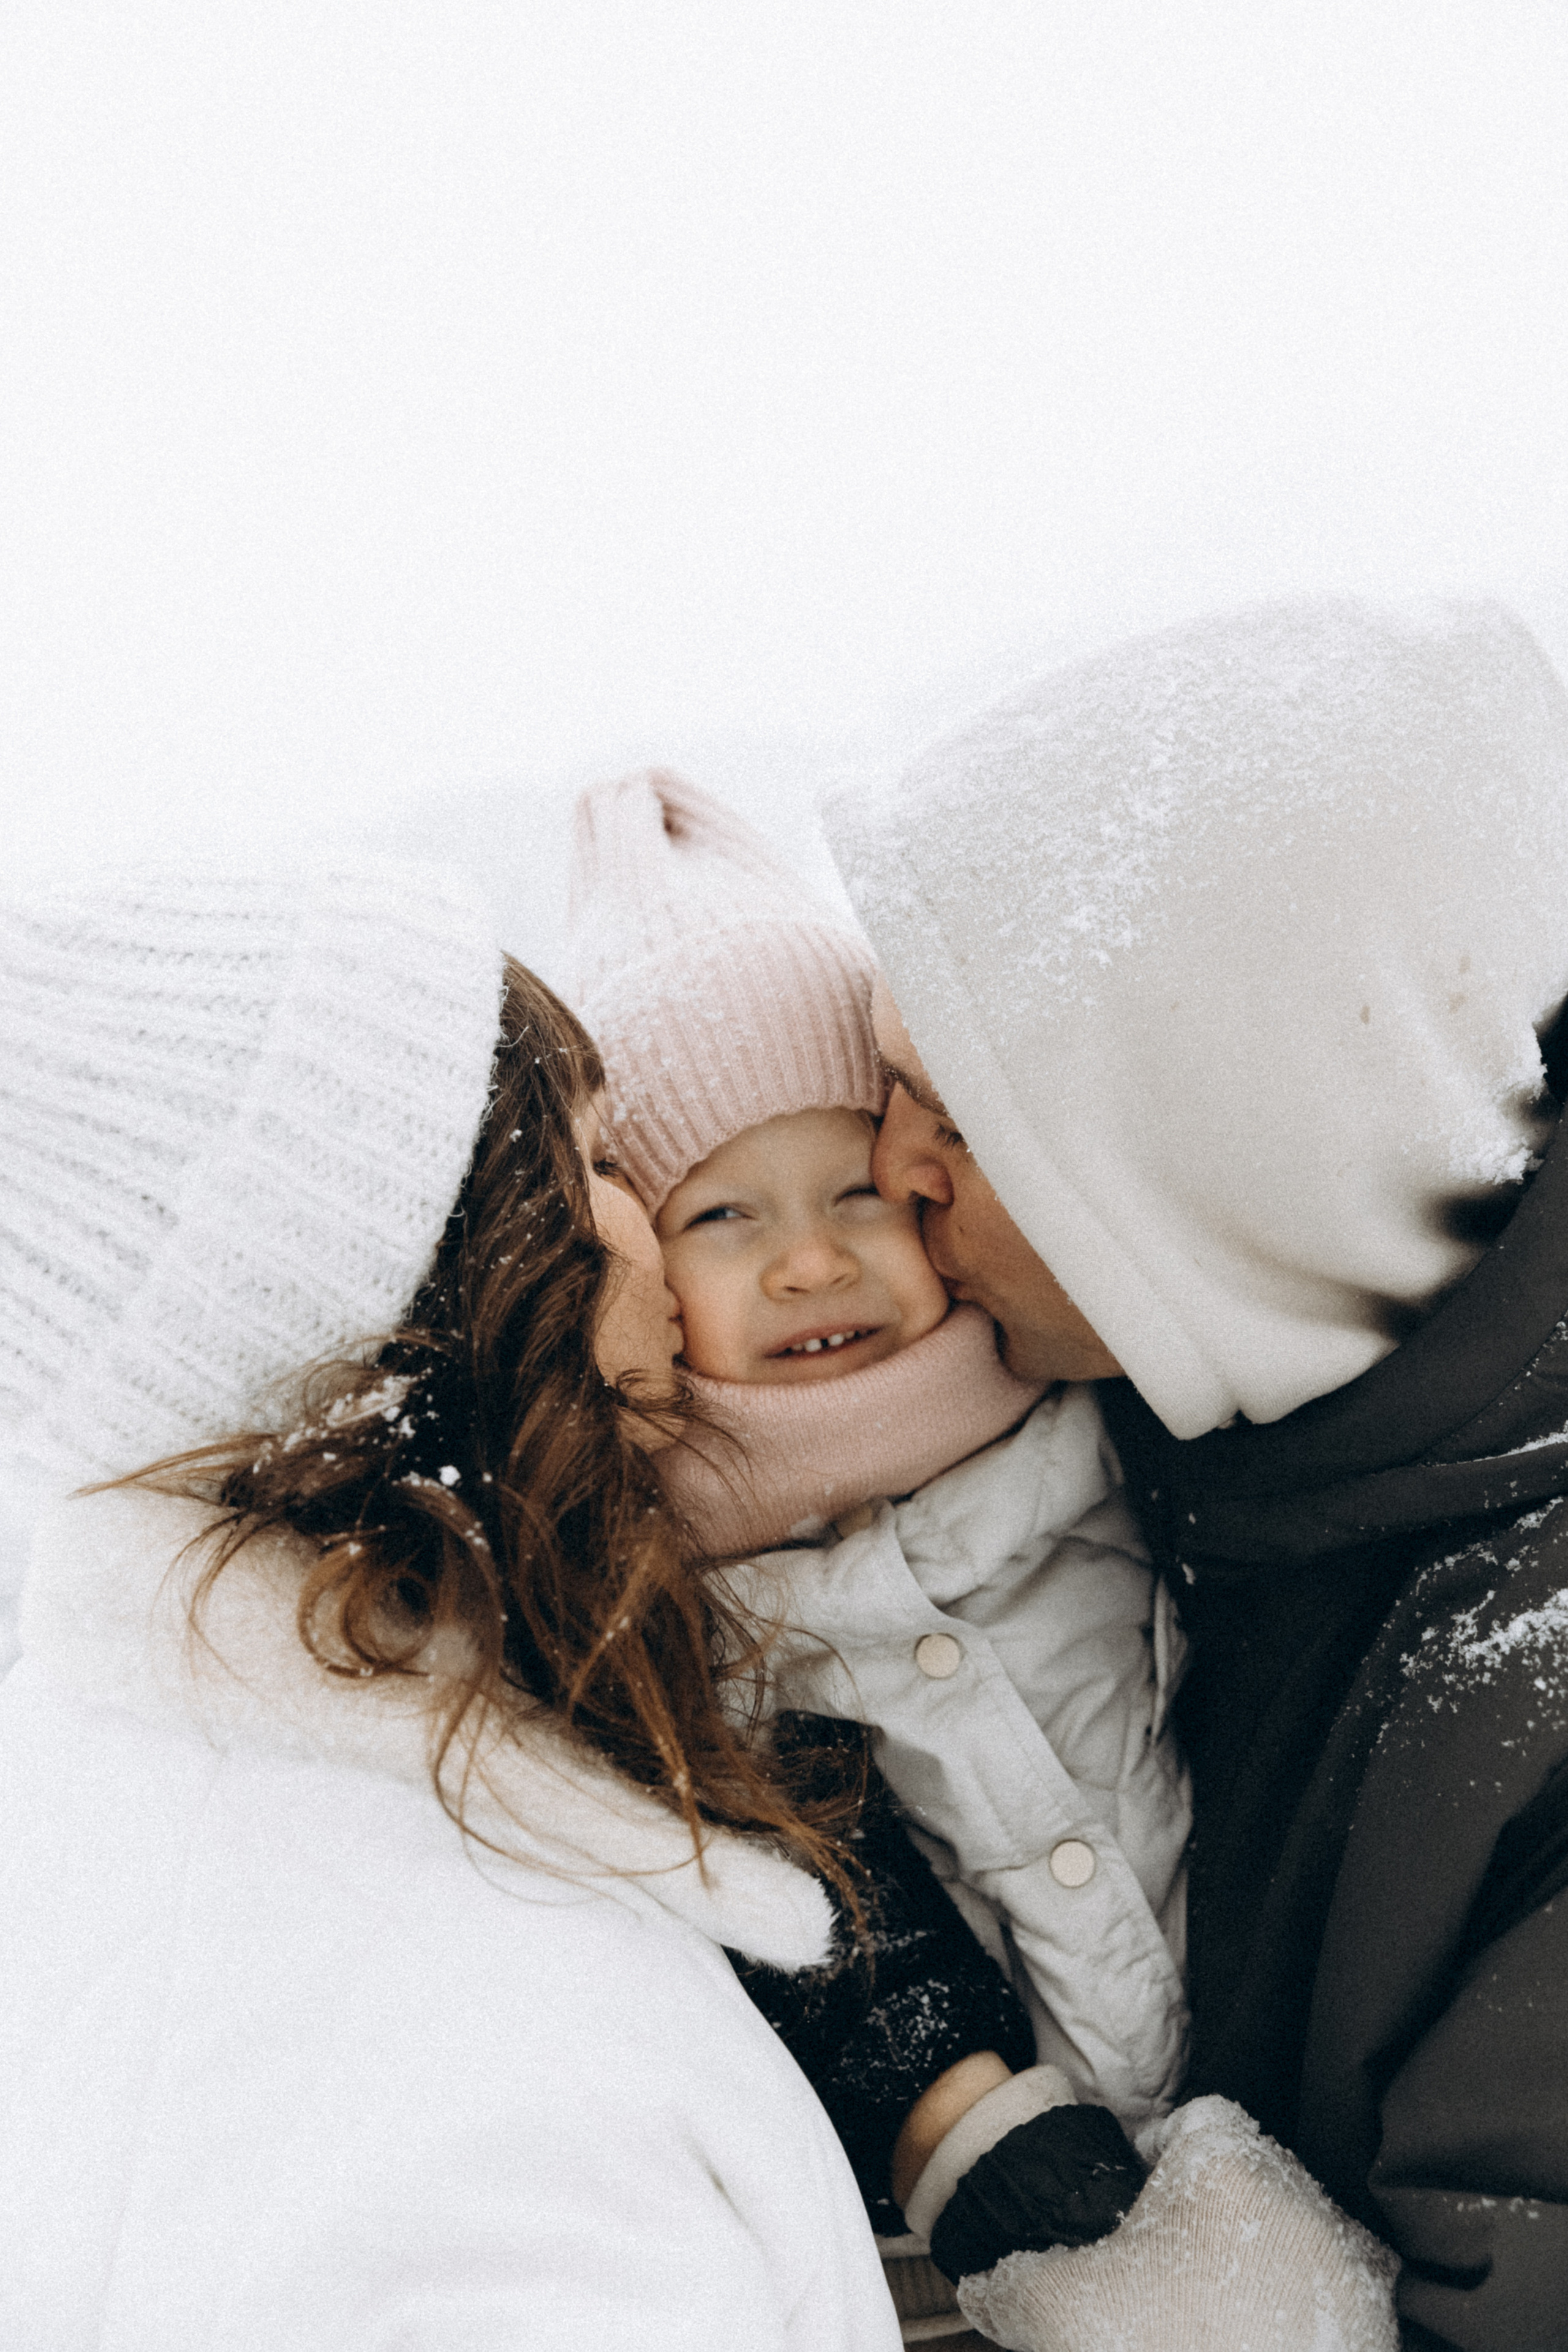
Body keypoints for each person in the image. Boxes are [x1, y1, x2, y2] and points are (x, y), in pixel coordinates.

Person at [0, 863, 905, 2351]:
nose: (654, 1239)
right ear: (451, 1285)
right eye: (605, 1164)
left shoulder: (176, 1788)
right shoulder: (452, 2046)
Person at [821, 594, 1568, 2351]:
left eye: (968, 1111)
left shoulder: (1524, 1716)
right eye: (885, 1081)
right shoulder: (1222, 1422)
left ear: (1229, 1127)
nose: (888, 1171)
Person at [568, 772, 1190, 2290]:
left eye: (854, 1188)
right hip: (960, 2271)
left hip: (1274, 2133)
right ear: (641, 1263)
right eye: (724, 1217)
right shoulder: (662, 1606)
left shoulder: (1113, 1435)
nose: (809, 1262)